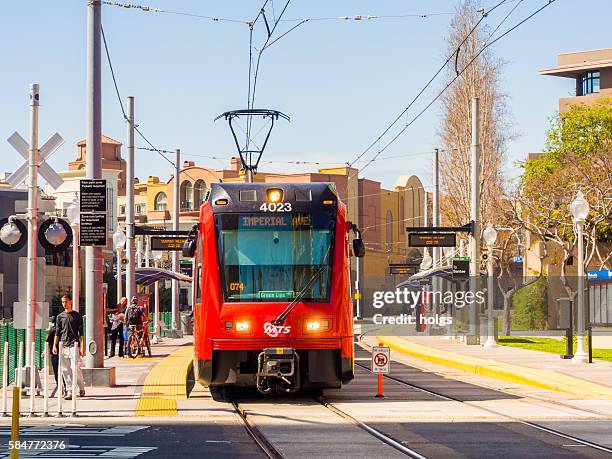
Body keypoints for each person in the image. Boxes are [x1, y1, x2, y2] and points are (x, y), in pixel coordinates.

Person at [53, 294, 85, 400]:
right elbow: (57, 332)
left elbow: (81, 333)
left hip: (74, 344)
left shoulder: (77, 316)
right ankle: (70, 390)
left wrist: (82, 346)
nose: (64, 304)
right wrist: (54, 345)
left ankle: (81, 386)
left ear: (70, 301)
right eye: (62, 302)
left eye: (66, 301)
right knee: (65, 369)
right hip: (63, 345)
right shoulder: (60, 317)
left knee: (74, 367)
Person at [44, 316, 61, 397]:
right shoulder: (61, 330)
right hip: (62, 353)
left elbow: (47, 342)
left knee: (56, 371)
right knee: (64, 371)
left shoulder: (52, 330)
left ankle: (60, 385)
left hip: (54, 354)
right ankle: (64, 386)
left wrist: (44, 352)